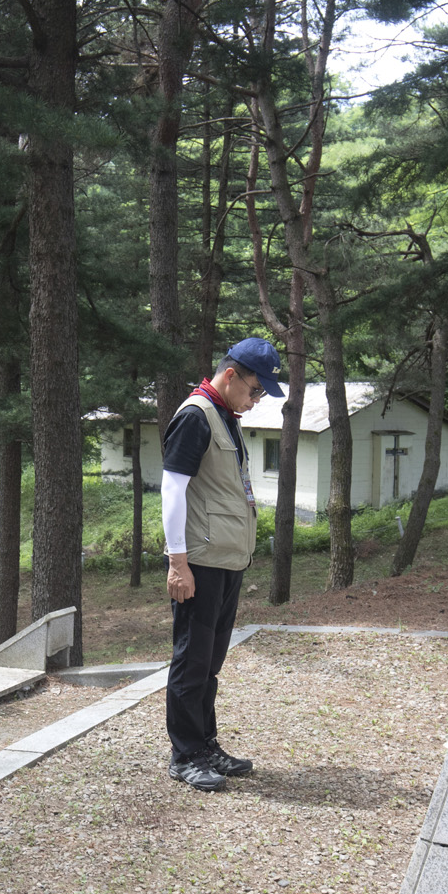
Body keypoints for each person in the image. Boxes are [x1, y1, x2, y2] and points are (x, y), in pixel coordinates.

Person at [160, 338, 282, 792]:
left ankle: (206, 744)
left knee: (209, 661)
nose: (256, 400)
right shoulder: (195, 416)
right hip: (200, 561)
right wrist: (178, 563)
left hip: (227, 559)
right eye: (254, 390)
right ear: (230, 375)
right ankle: (185, 754)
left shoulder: (224, 417)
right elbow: (172, 490)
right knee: (191, 660)